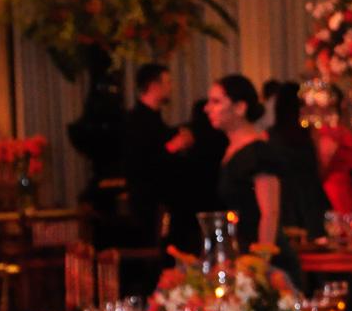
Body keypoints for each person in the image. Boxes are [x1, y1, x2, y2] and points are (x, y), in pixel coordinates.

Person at [205, 75, 303, 287]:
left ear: (240, 107)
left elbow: (270, 213)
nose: (207, 108)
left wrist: (260, 267)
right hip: (242, 257)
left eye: (216, 101)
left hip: (264, 263)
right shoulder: (231, 150)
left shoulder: (258, 152)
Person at [121, 63, 193, 247]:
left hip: (162, 201)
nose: (171, 88)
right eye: (168, 82)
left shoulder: (155, 120)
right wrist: (174, 146)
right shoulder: (135, 122)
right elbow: (142, 163)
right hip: (148, 204)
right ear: (154, 86)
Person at [161, 98, 226, 257]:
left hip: (185, 203)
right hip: (212, 201)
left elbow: (165, 157)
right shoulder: (221, 138)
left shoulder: (186, 136)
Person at [265, 83, 332, 236]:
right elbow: (320, 168)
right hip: (310, 199)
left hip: (285, 199)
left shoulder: (270, 136)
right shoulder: (310, 134)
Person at [312, 85, 352, 214]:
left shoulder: (326, 133)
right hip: (345, 187)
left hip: (332, 189)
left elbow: (322, 167)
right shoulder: (346, 131)